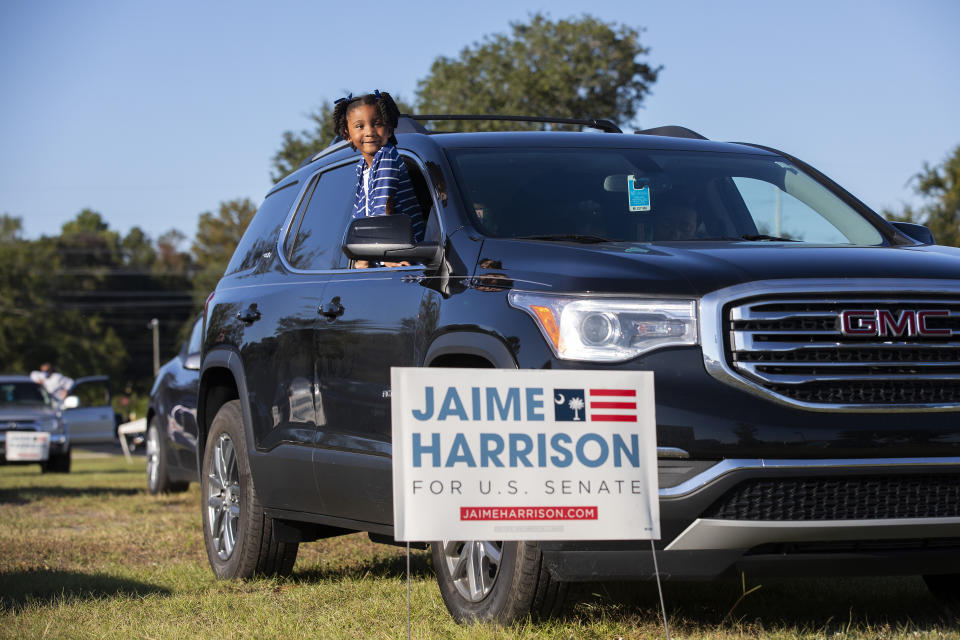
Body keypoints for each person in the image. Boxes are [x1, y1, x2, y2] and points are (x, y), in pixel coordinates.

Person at [332, 91, 424, 268]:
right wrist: (363, 255)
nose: (370, 132)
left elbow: (384, 205)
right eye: (360, 126)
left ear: (389, 129)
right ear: (347, 134)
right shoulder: (362, 167)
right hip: (384, 257)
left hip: (403, 258)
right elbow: (361, 215)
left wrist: (383, 254)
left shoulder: (387, 156)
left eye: (378, 124)